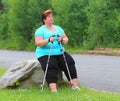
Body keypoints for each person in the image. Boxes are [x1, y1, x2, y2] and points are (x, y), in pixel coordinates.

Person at [35, 9, 80, 93]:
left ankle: (75, 85)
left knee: (69, 61)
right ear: (44, 19)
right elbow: (38, 43)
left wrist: (62, 40)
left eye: (52, 16)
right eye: (49, 17)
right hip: (45, 53)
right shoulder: (40, 30)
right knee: (51, 65)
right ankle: (53, 89)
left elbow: (66, 39)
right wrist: (48, 40)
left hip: (60, 52)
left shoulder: (58, 28)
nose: (51, 18)